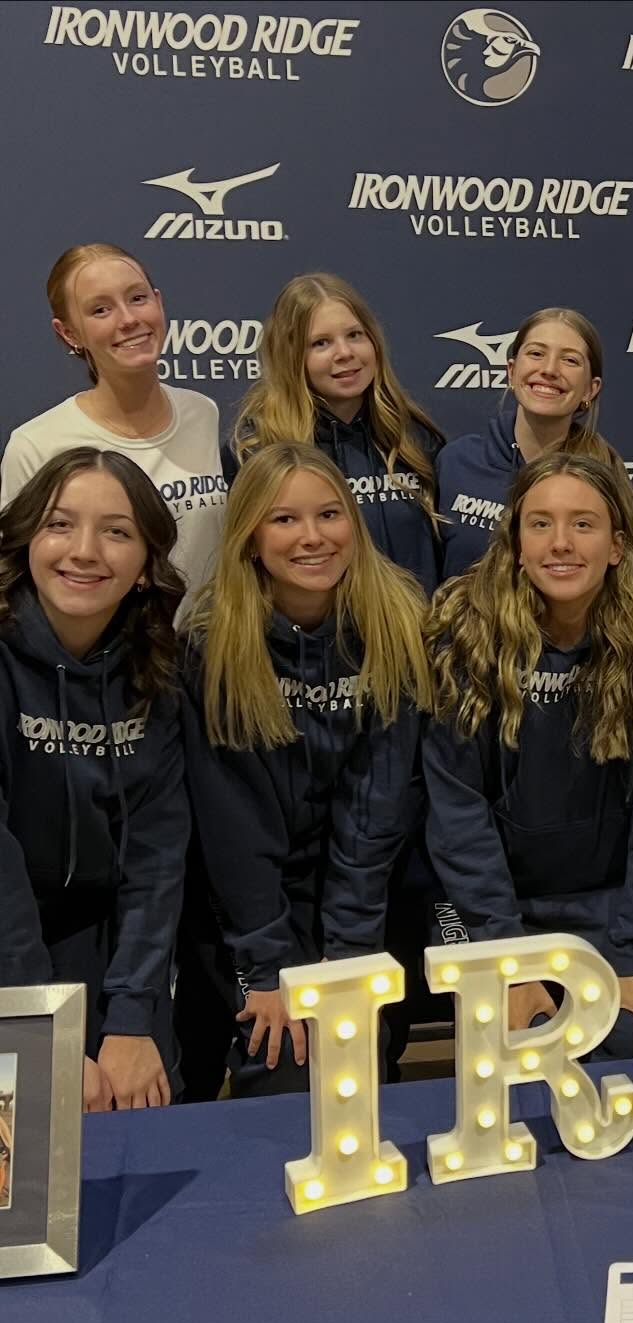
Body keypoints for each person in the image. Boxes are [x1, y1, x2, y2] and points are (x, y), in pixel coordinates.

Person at [424, 452, 633, 1056]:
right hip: (491, 909)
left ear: (618, 546)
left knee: (631, 1052)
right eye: (540, 524)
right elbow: (458, 811)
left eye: (583, 524)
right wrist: (506, 955)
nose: (561, 543)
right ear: (516, 544)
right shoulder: (466, 634)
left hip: (609, 907)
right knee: (514, 1062)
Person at [178, 441, 431, 1097]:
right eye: (284, 519)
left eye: (329, 514)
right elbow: (233, 829)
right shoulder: (213, 644)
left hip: (357, 889)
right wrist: (267, 970)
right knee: (285, 1066)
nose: (312, 537)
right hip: (246, 902)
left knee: (354, 1060)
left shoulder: (396, 624)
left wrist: (345, 958)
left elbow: (376, 808)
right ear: (250, 537)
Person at [0, 448, 188, 1109]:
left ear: (146, 567)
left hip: (104, 946)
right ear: (26, 539)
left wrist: (132, 1018)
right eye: (60, 524)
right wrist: (42, 1025)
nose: (84, 551)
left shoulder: (156, 669)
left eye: (116, 531)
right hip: (10, 943)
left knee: (137, 1099)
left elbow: (157, 856)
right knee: (34, 1128)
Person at [1, 244, 224, 609]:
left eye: (137, 298)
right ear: (69, 333)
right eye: (100, 310)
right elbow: (16, 583)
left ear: (158, 302)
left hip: (212, 640)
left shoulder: (203, 413)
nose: (128, 319)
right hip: (115, 645)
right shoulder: (37, 445)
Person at [230, 273, 446, 594]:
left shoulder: (413, 438)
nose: (344, 353)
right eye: (321, 343)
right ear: (291, 355)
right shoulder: (260, 448)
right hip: (316, 626)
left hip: (417, 624)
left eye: (355, 335)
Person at [435, 307, 622, 580]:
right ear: (511, 371)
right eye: (536, 353)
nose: (549, 369)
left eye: (570, 360)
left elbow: (627, 576)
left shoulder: (605, 472)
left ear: (590, 389)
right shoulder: (457, 461)